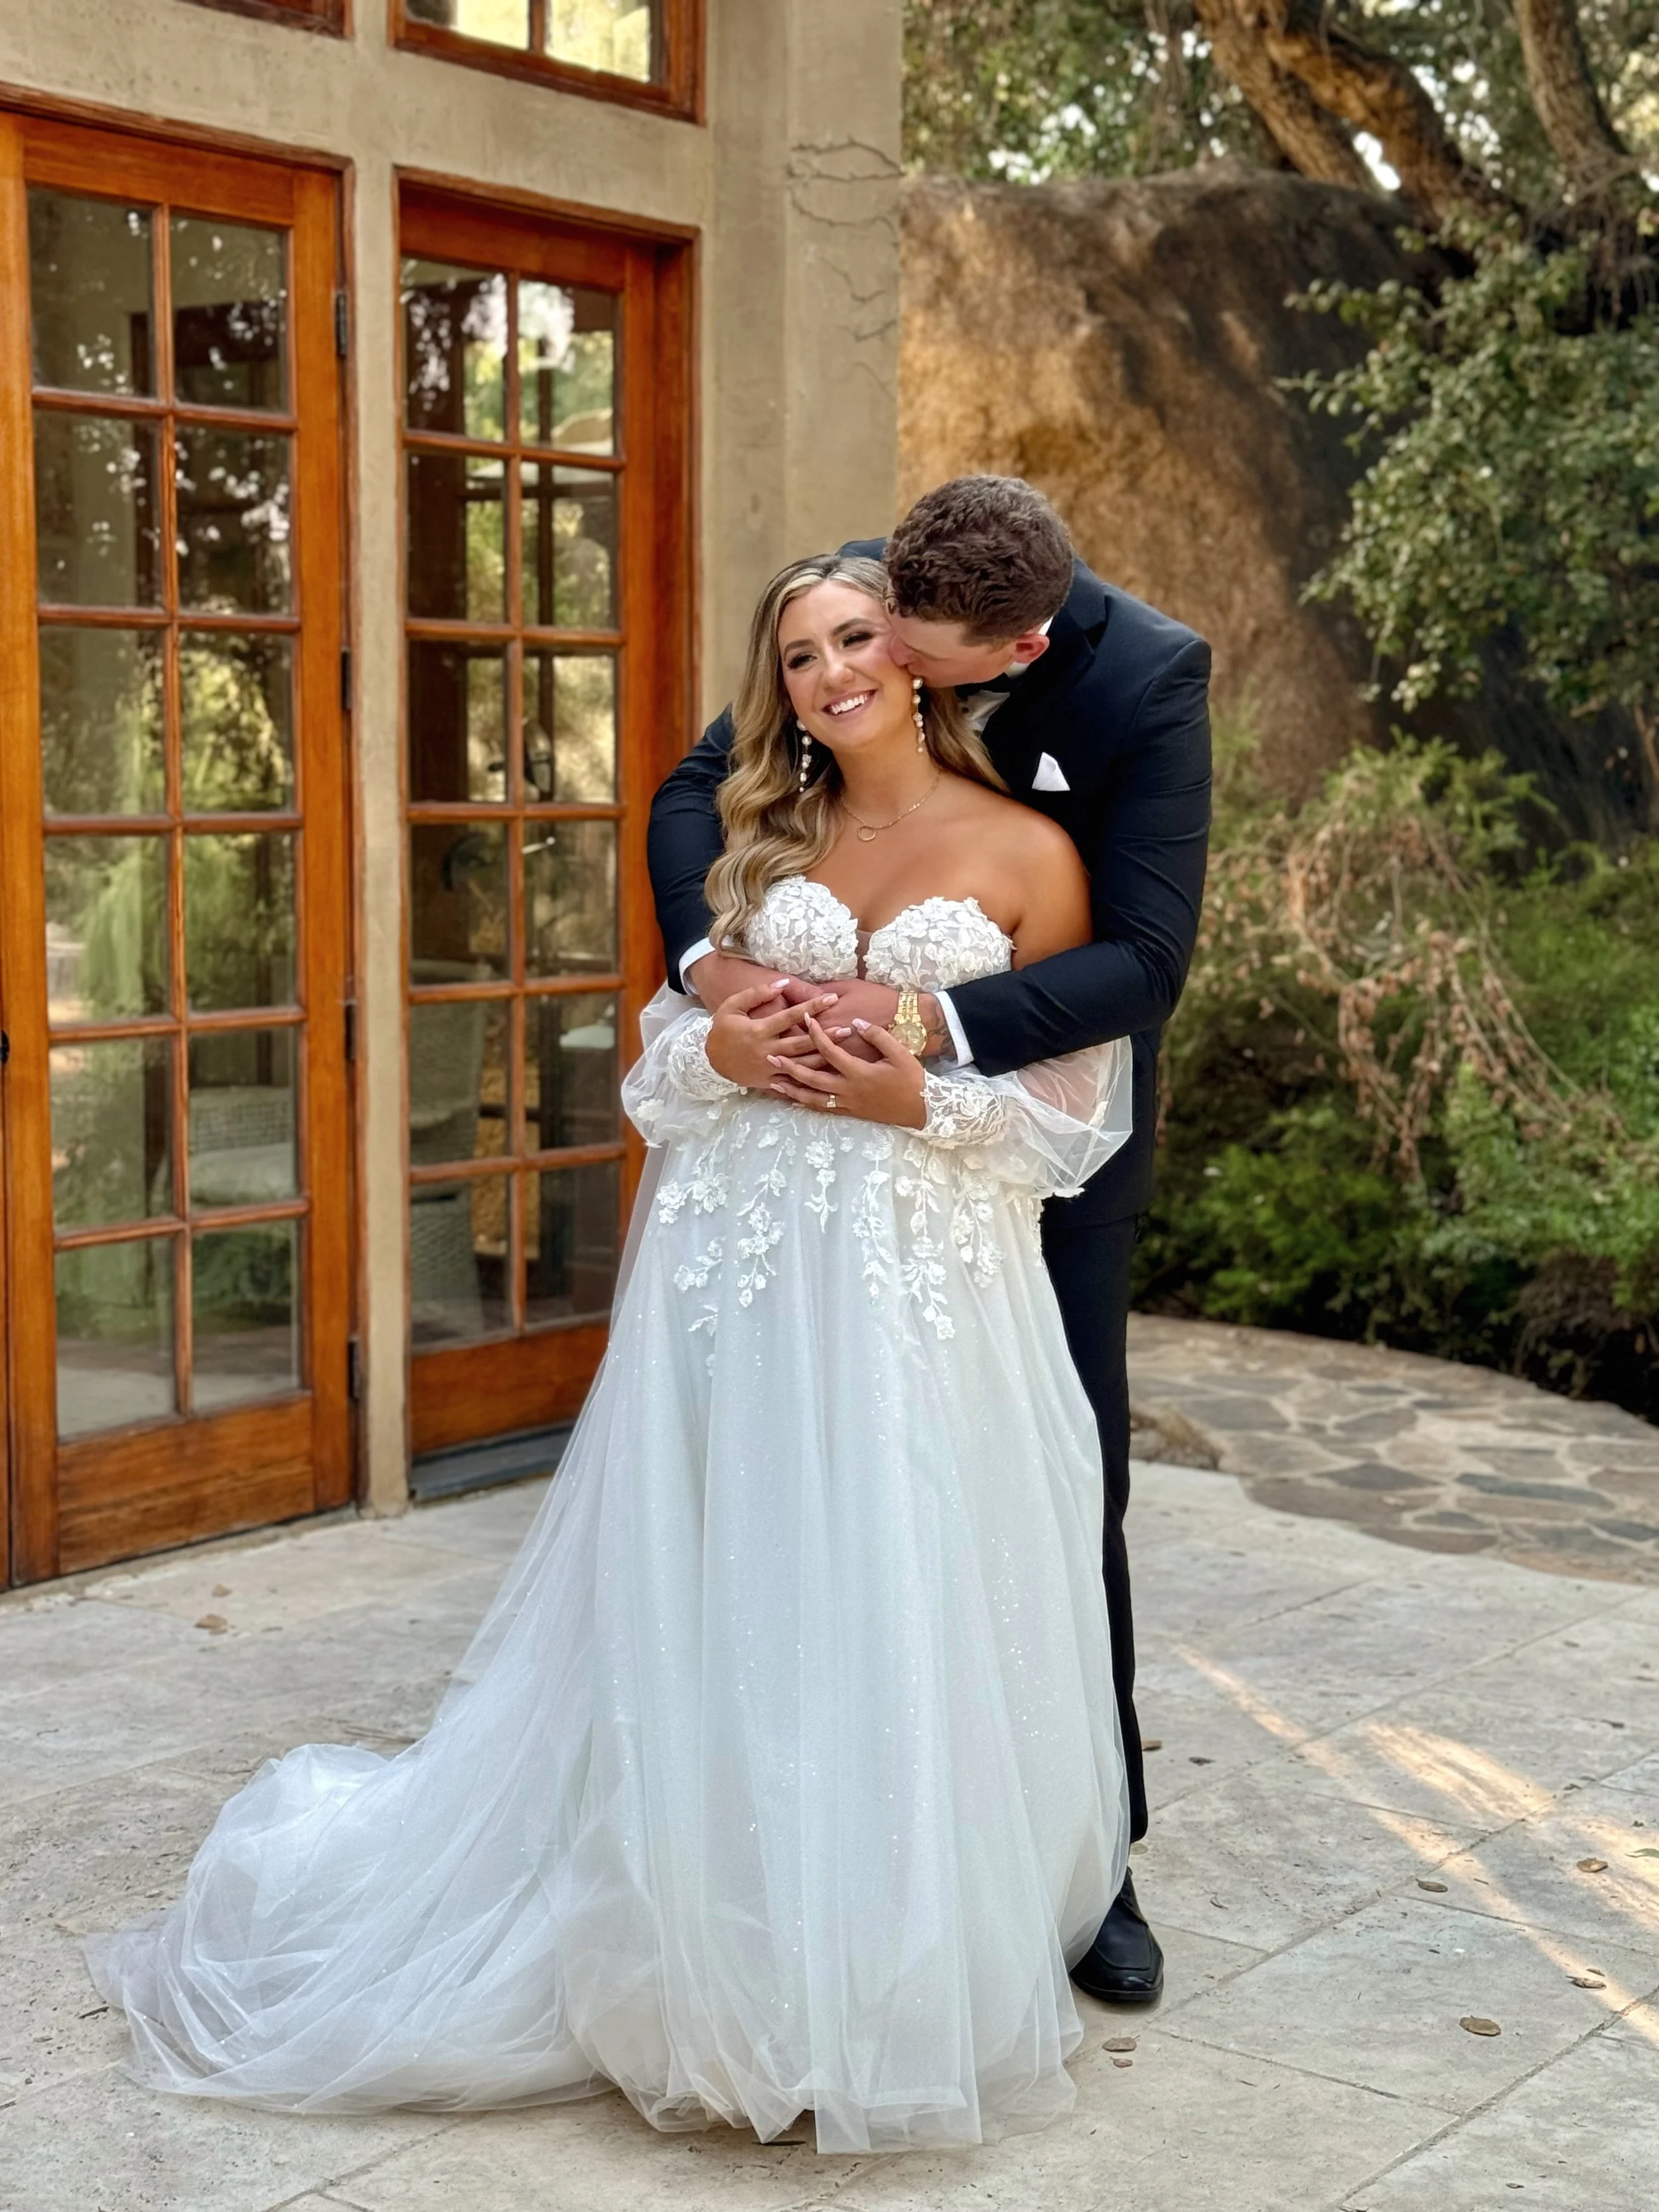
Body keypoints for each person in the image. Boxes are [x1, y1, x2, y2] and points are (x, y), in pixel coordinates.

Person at [87, 552, 1137, 2154]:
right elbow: (666, 1048)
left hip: (910, 1290)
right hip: (733, 1273)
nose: (831, 671)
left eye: (855, 638)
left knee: (885, 1582)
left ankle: (864, 1979)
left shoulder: (1027, 850)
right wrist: (714, 1034)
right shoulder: (755, 840)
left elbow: (1077, 1112)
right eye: (797, 654)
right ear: (774, 687)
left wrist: (909, 1096)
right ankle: (698, 1952)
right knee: (723, 1588)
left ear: (916, 657)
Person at [648, 477, 1213, 2004]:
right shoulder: (869, 618)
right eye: (842, 633)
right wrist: (710, 975)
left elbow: (1142, 964)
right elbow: (693, 792)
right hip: (792, 1196)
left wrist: (921, 1033)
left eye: (893, 639)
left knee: (1047, 1475)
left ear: (1001, 645)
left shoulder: (1145, 683)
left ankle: (1082, 1860)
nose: (866, 651)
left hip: (1025, 1122)